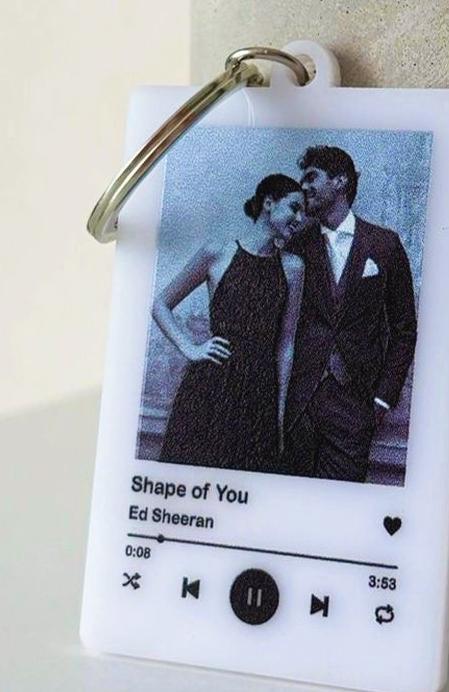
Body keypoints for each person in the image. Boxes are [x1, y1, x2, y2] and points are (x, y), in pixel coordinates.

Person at [152, 173, 307, 472]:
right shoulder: (217, 253)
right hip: (209, 387)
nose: (300, 219)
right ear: (269, 204)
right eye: (294, 208)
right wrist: (191, 348)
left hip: (258, 394)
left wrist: (279, 411)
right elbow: (161, 305)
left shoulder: (293, 268)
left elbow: (286, 343)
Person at [284, 145, 418, 482]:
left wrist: (382, 399)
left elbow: (404, 331)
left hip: (354, 408)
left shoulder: (384, 245)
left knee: (340, 504)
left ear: (340, 181)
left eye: (311, 178)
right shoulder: (296, 245)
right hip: (299, 405)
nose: (304, 187)